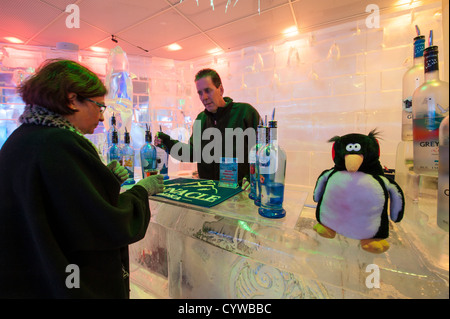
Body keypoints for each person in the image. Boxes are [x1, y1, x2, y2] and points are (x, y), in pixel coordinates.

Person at [0, 59, 164, 298]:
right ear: (72, 99)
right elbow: (105, 224)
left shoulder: (20, 139)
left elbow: (61, 205)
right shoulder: (61, 143)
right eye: (99, 107)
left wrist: (102, 181)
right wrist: (141, 191)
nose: (101, 118)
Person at [155, 68, 261, 188]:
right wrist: (168, 142)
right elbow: (193, 153)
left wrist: (252, 176)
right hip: (210, 191)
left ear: (220, 89)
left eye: (207, 90)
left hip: (241, 192)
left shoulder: (245, 113)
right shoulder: (201, 119)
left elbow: (262, 152)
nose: (204, 97)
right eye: (200, 93)